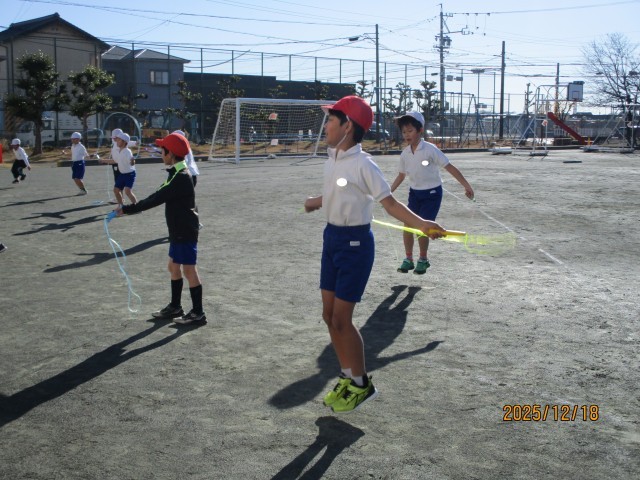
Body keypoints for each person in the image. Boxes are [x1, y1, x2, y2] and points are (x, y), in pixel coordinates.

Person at [303, 96, 446, 413]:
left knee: (342, 319)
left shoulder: (364, 164)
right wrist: (316, 201)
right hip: (331, 239)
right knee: (329, 316)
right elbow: (337, 190)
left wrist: (422, 224)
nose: (325, 125)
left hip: (355, 245)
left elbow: (390, 203)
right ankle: (347, 375)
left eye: (331, 120)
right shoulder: (332, 159)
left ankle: (361, 385)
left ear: (347, 126)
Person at [114, 132, 205, 325]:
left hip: (184, 231)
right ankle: (175, 306)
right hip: (179, 230)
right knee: (173, 267)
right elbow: (159, 194)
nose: (160, 153)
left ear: (170, 153)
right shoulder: (176, 173)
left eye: (162, 150)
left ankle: (198, 313)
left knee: (189, 270)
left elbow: (155, 199)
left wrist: (126, 209)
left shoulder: (180, 177)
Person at [389, 111, 474, 275]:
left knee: (423, 226)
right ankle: (408, 259)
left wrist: (466, 186)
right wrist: (388, 192)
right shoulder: (405, 154)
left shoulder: (430, 149)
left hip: (432, 195)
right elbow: (401, 176)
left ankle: (423, 259)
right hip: (414, 194)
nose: (407, 135)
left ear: (420, 130)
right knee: (407, 225)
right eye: (404, 132)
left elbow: (449, 167)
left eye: (410, 131)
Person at [172, 130, 202, 228]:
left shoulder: (182, 148)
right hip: (190, 176)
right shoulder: (184, 146)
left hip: (188, 176)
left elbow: (183, 164)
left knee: (186, 201)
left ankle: (194, 223)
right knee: (187, 201)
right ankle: (193, 222)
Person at [101, 131, 137, 206]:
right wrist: (103, 160)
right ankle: (121, 206)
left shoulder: (127, 151)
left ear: (124, 142)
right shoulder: (119, 151)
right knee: (116, 190)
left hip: (129, 174)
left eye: (119, 139)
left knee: (127, 191)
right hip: (122, 174)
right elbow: (115, 161)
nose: (116, 141)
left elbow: (132, 162)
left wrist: (132, 161)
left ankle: (137, 207)